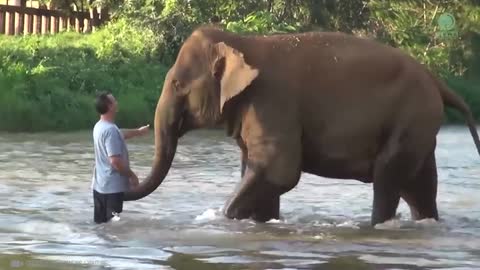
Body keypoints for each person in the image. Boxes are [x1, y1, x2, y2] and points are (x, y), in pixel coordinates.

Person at [91, 91, 150, 224]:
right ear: (110, 106)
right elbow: (115, 162)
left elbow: (119, 134)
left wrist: (139, 132)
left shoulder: (99, 126)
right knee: (112, 228)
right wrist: (131, 175)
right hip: (111, 189)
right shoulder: (110, 130)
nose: (117, 103)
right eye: (114, 101)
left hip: (99, 186)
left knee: (101, 226)